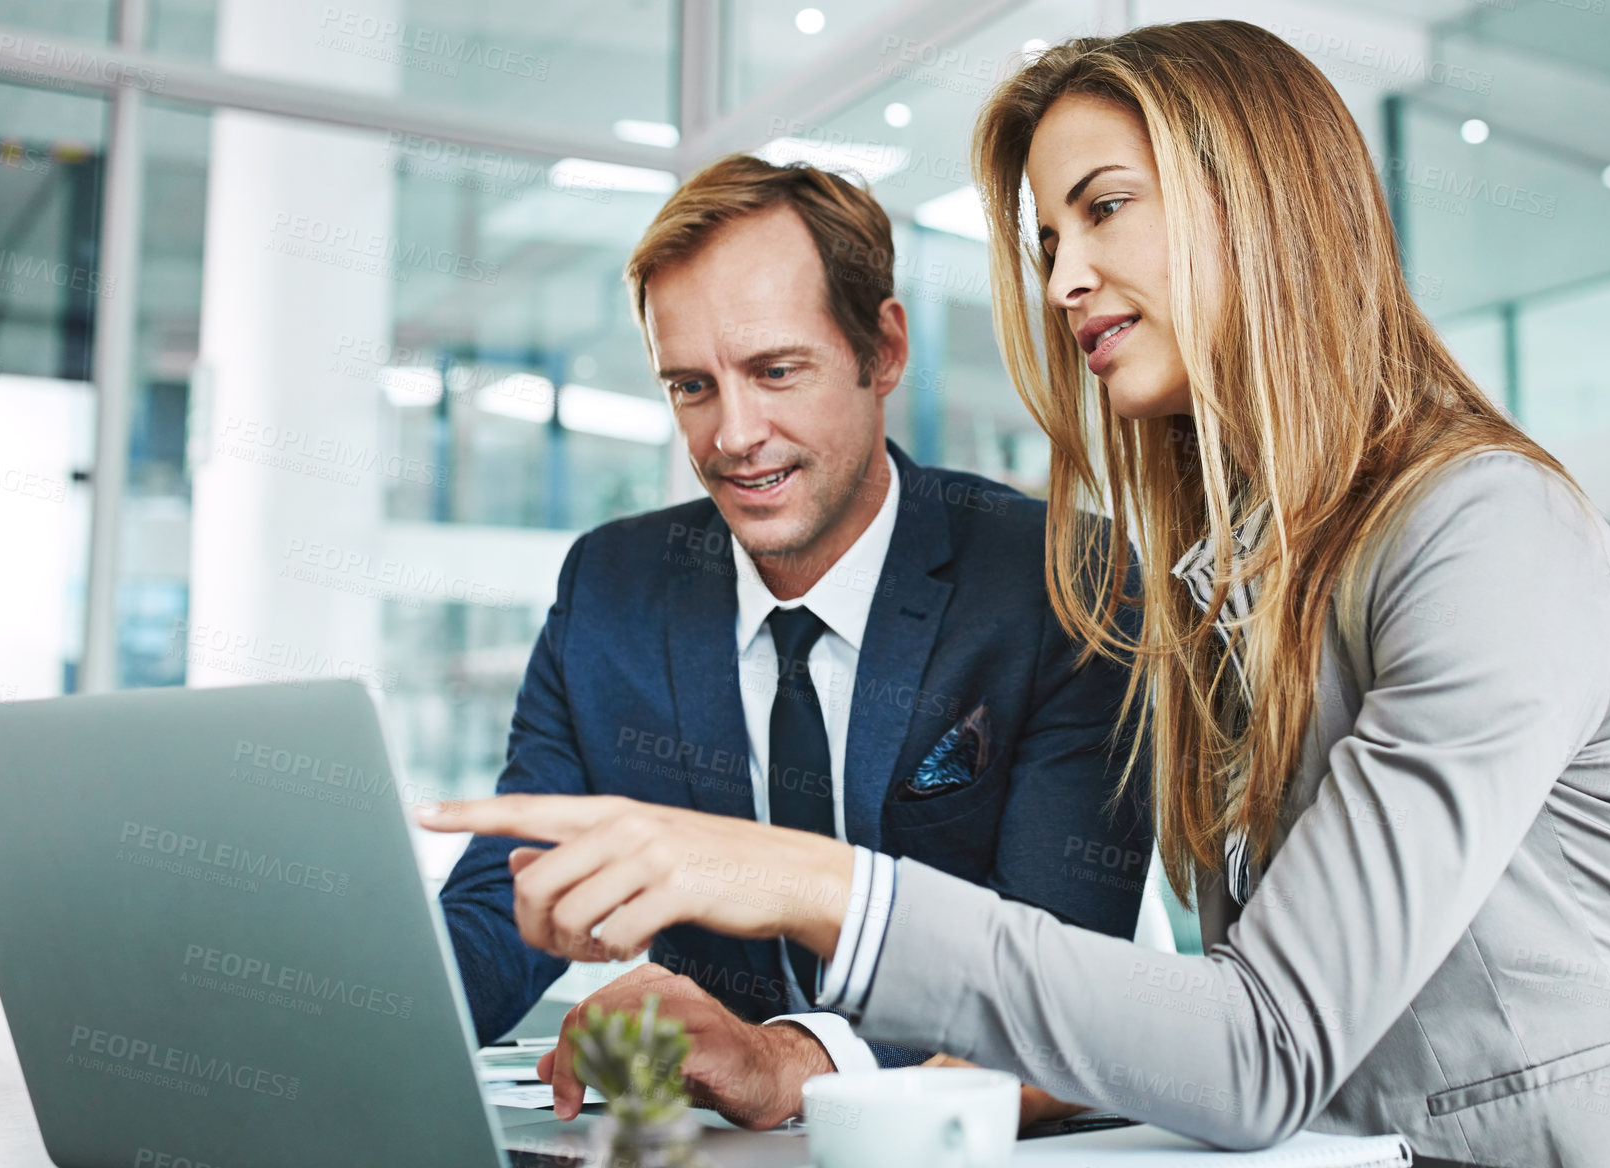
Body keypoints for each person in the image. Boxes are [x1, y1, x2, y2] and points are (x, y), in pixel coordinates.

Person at [421, 20, 1610, 1165]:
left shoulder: (1487, 532)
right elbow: (1183, 1038)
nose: (1063, 280)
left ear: (1261, 205)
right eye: (1052, 238)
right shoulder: (1229, 581)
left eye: (1104, 208)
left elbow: (1260, 1044)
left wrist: (799, 886)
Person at [437, 154, 1151, 1128]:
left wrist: (796, 1060)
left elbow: (1063, 956)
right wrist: (349, 1020)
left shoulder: (1058, 579)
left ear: (884, 350)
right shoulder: (611, 588)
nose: (734, 435)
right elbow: (504, 904)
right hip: (715, 1148)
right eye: (691, 386)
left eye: (776, 372)